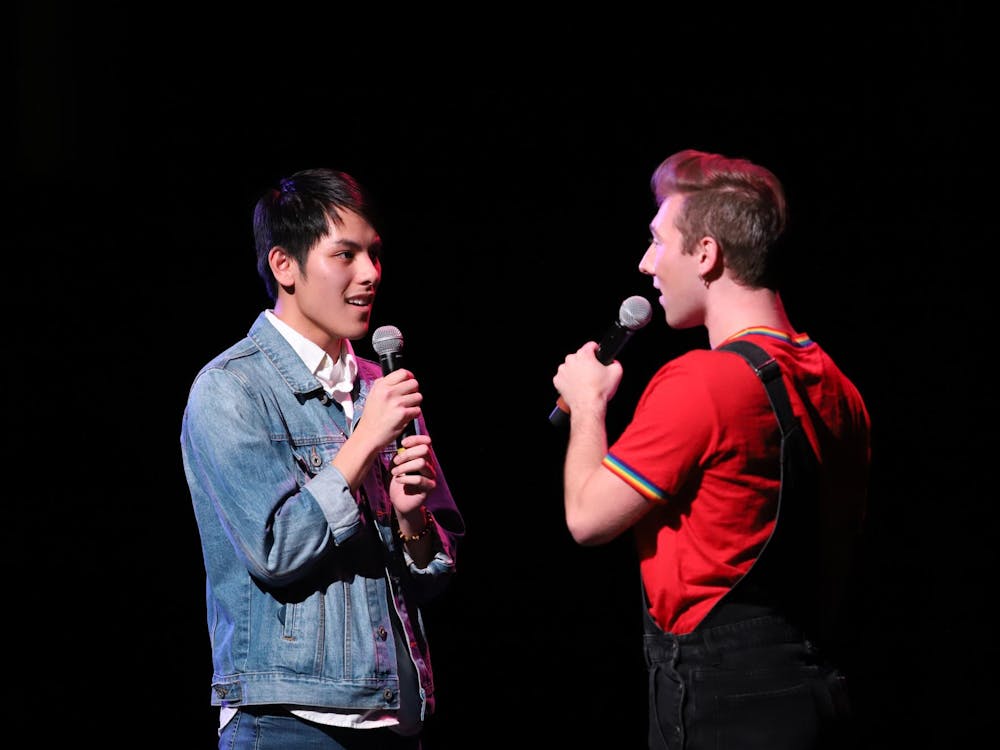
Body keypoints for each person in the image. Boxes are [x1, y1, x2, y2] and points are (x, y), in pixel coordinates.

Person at [551, 149, 871, 749]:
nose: (647, 263)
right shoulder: (839, 386)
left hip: (725, 695)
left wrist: (588, 406)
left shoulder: (702, 381)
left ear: (706, 253)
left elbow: (586, 519)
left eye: (657, 240)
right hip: (816, 686)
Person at [180, 167, 465, 749]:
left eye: (375, 254)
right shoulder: (230, 388)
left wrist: (413, 521)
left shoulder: (378, 383)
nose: (370, 274)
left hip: (394, 716)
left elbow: (434, 574)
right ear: (285, 265)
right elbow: (276, 550)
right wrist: (362, 444)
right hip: (290, 721)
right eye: (346, 255)